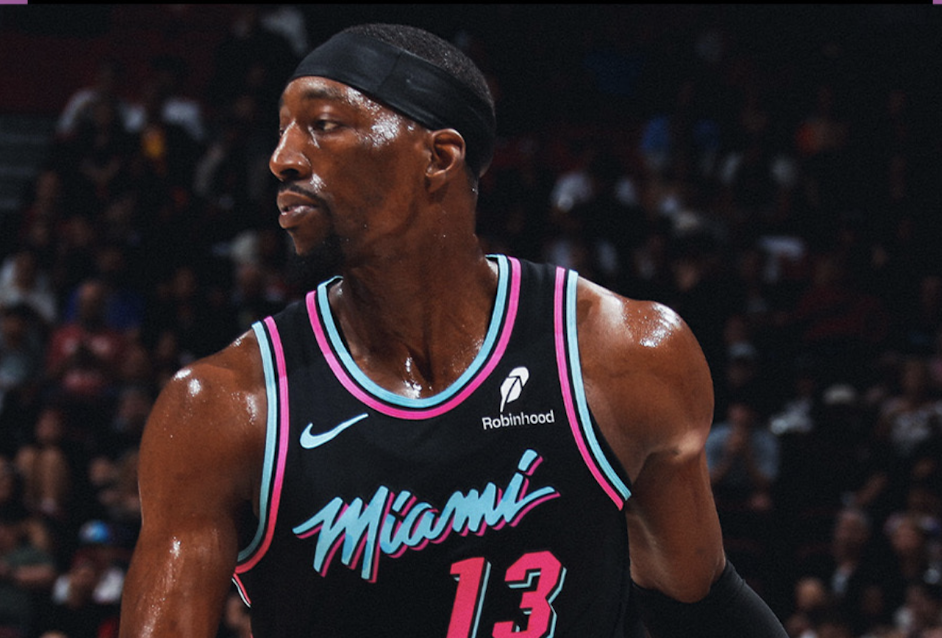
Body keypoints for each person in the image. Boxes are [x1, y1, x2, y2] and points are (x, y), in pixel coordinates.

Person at [118, 23, 787, 637]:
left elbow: (699, 603)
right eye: (283, 130)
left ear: (438, 157)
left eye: (322, 125)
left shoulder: (624, 356)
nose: (283, 158)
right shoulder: (224, 408)